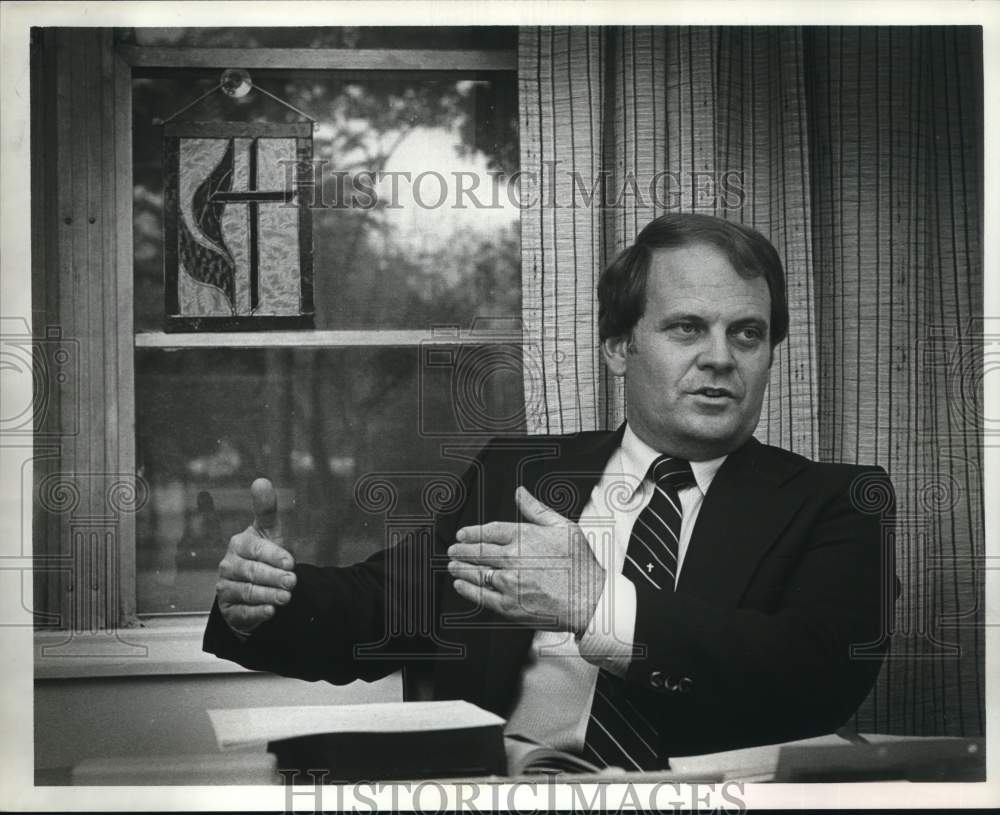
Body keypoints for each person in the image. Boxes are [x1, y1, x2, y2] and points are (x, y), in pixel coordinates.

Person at [204, 213, 896, 769]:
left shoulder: (838, 501)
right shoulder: (519, 475)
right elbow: (385, 604)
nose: (720, 356)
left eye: (748, 332)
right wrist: (269, 599)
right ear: (619, 347)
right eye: (687, 326)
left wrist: (598, 603)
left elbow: (817, 674)